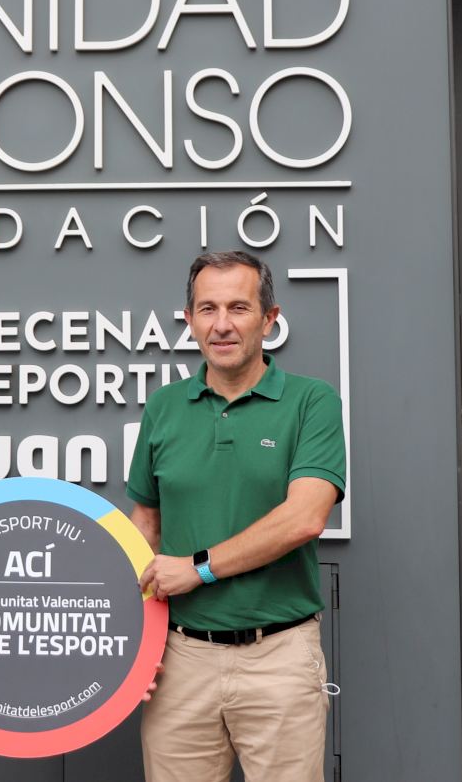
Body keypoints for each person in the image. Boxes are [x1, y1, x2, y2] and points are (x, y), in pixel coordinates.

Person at [128, 250, 345, 782]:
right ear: (189, 320)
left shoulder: (312, 402)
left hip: (279, 657)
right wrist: (133, 644)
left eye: (238, 308)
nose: (221, 324)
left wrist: (198, 568)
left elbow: (304, 517)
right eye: (207, 309)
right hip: (179, 660)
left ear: (269, 319)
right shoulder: (163, 407)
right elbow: (145, 527)